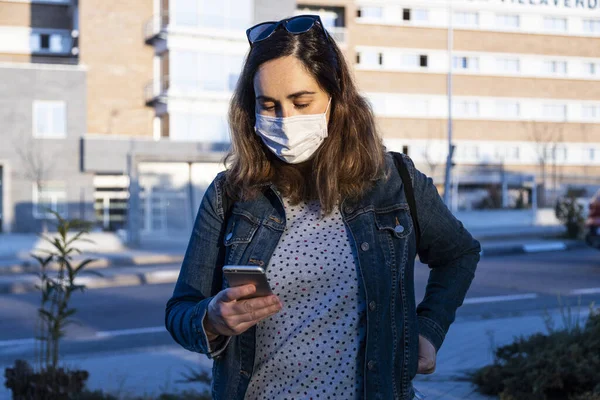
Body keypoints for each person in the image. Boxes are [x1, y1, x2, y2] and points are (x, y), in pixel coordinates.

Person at [165, 14, 481, 400]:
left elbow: (460, 253)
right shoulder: (230, 193)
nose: (286, 120)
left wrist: (428, 331)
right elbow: (181, 310)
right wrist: (212, 319)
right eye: (269, 105)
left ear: (335, 97)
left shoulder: (394, 181)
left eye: (301, 101)